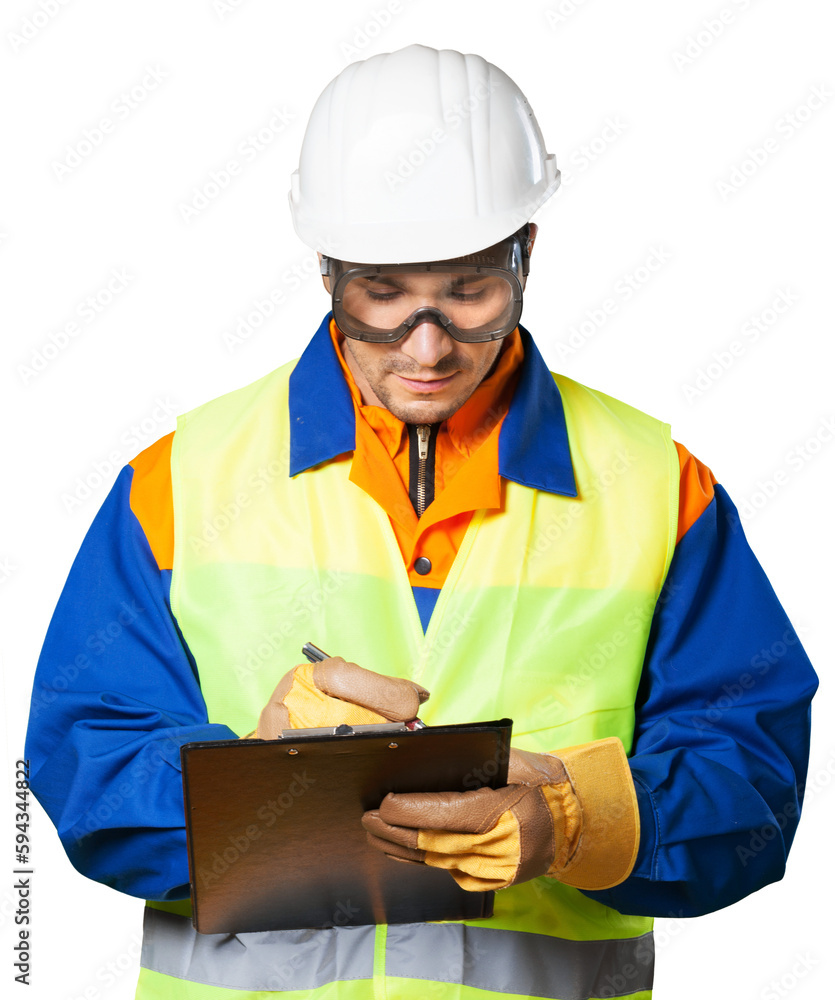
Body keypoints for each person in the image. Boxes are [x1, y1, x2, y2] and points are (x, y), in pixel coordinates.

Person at [25, 44, 817, 1000]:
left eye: (469, 292)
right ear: (327, 272)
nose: (428, 347)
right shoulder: (181, 480)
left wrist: (580, 820)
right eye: (384, 296)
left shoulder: (657, 487)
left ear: (527, 253)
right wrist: (255, 780)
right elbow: (86, 763)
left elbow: (753, 778)